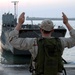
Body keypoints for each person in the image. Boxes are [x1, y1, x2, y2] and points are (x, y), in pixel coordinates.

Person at [8, 12, 75, 75]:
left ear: (41, 29)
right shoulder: (61, 41)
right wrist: (66, 23)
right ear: (52, 30)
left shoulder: (34, 42)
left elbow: (12, 39)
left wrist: (19, 23)